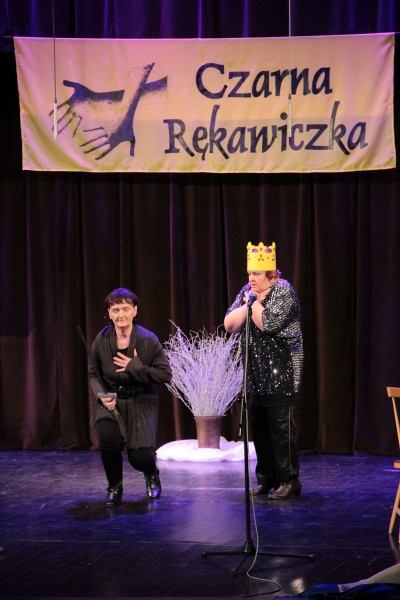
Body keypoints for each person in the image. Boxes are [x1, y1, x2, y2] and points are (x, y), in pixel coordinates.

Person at [224, 241, 303, 500]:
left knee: (281, 431)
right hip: (255, 374)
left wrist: (254, 304)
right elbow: (229, 325)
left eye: (256, 274)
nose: (251, 279)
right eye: (249, 273)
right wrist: (248, 303)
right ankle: (267, 479)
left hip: (282, 372)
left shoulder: (284, 291)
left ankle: (289, 481)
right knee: (259, 430)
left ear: (270, 273)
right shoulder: (247, 292)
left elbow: (267, 324)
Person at [88, 287, 172, 505]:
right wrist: (102, 395)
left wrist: (135, 367)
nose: (121, 314)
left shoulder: (147, 339)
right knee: (108, 440)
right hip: (112, 401)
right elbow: (93, 373)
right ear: (109, 313)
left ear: (135, 311)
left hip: (141, 400)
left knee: (139, 457)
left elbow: (165, 375)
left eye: (126, 308)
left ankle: (151, 473)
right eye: (115, 310)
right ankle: (114, 486)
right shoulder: (102, 339)